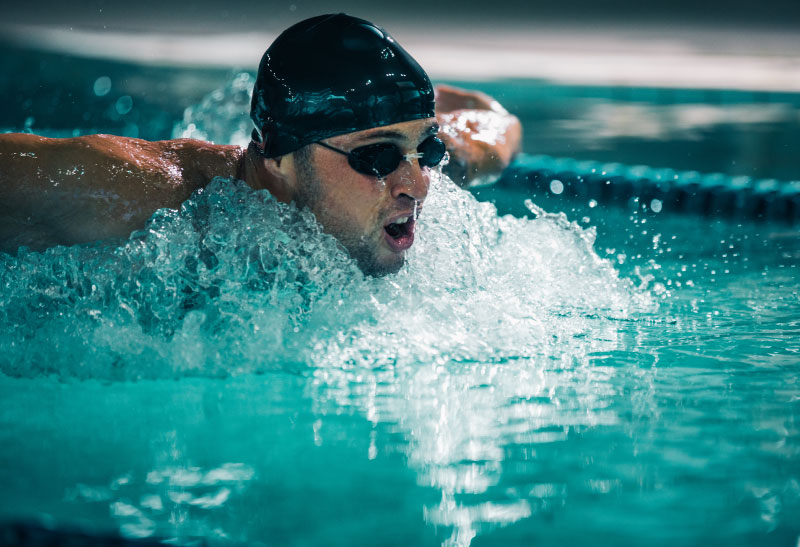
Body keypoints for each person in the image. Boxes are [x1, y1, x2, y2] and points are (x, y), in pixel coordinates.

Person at [0, 14, 521, 276]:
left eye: (426, 150)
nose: (418, 185)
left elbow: (498, 125)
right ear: (278, 159)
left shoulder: (415, 175)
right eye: (377, 156)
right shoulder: (144, 194)